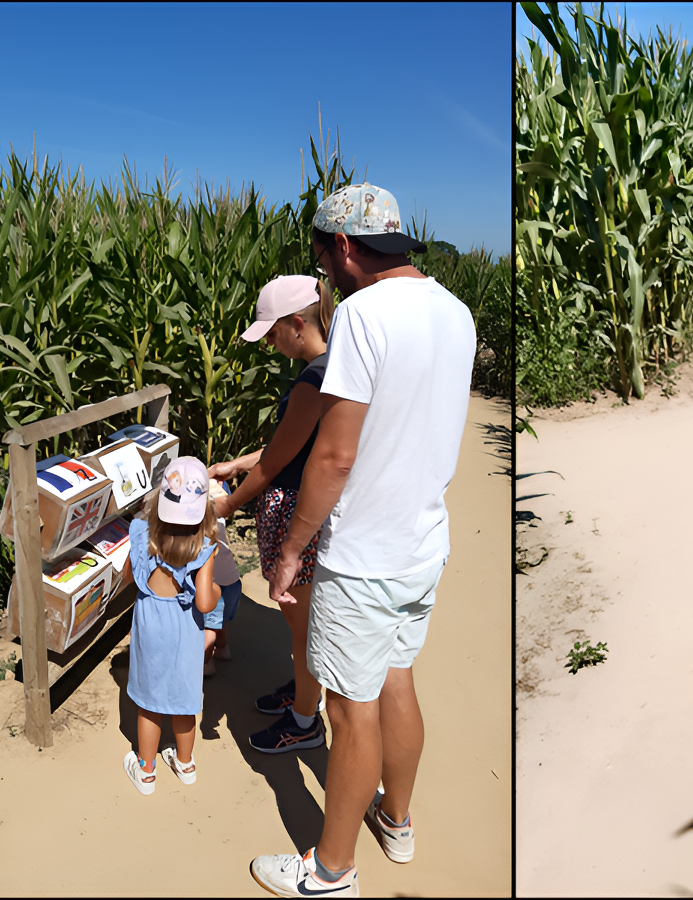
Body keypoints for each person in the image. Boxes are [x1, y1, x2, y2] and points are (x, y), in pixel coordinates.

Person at [248, 183, 476, 898]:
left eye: (322, 255)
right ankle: (397, 820)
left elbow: (334, 457)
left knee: (350, 710)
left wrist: (292, 549)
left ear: (344, 246)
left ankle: (330, 871)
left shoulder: (364, 315)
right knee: (398, 679)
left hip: (364, 550)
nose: (323, 271)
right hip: (422, 544)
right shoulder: (454, 310)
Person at [208, 274, 333, 753]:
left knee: (301, 625)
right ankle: (302, 693)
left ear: (297, 324)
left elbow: (278, 462)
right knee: (299, 622)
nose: (271, 344)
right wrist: (236, 464)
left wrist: (228, 504)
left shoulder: (312, 380)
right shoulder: (329, 367)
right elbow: (287, 445)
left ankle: (304, 722)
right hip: (304, 507)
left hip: (294, 511)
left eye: (274, 332)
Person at [122, 456, 221, 795]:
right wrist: (217, 589)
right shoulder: (205, 548)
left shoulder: (140, 533)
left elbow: (128, 577)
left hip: (150, 625)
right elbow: (206, 603)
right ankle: (185, 763)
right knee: (183, 700)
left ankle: (146, 770)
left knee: (149, 704)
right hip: (185, 632)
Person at [202, 498, 243, 677]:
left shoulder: (200, 533)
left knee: (208, 627)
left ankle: (206, 663)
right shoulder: (219, 522)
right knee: (222, 621)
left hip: (214, 584)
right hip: (233, 581)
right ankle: (222, 648)